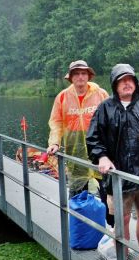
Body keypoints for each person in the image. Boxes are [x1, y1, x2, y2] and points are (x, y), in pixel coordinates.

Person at [86, 63, 139, 260]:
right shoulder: (105, 108)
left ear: (136, 83)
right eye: (122, 80)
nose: (127, 83)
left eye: (130, 79)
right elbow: (93, 137)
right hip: (118, 176)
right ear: (115, 84)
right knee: (122, 220)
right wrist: (101, 156)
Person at [47, 60, 109, 197]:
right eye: (76, 74)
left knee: (107, 194)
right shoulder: (62, 97)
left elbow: (111, 120)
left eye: (83, 73)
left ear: (88, 76)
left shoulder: (101, 94)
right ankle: (78, 218)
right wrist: (54, 143)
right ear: (70, 77)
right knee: (77, 195)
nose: (80, 77)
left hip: (100, 152)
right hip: (75, 154)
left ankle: (108, 218)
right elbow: (56, 123)